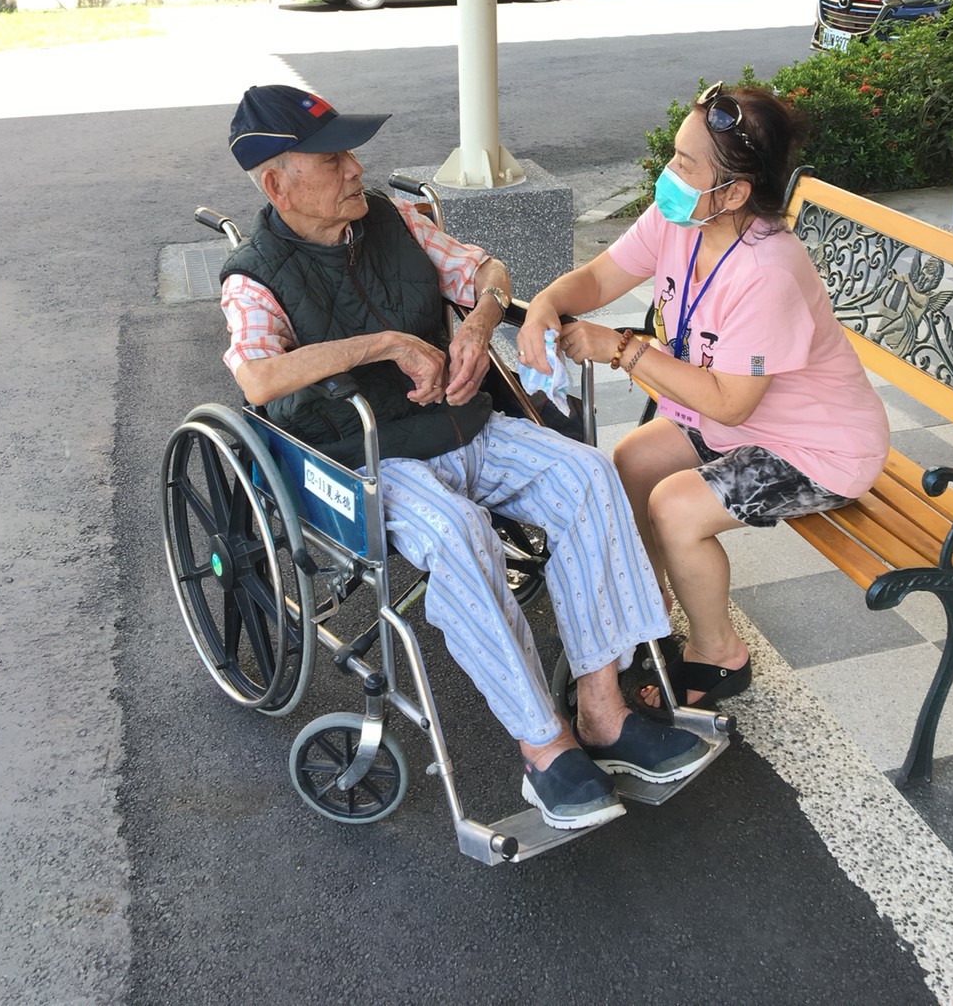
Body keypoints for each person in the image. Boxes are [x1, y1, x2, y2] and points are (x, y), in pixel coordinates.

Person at [218, 83, 714, 831]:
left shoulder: (395, 218)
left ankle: (605, 715)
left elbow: (489, 271)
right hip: (370, 460)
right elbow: (257, 376)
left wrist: (479, 324)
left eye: (352, 152)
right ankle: (546, 750)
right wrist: (385, 344)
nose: (355, 169)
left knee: (588, 476)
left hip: (466, 424)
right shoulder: (253, 277)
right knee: (458, 535)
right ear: (277, 184)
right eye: (332, 159)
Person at [518, 83, 890, 710]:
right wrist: (546, 307)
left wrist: (626, 349)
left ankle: (719, 653)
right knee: (630, 464)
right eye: (674, 156)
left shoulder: (767, 270)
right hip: (735, 418)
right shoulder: (679, 219)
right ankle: (650, 614)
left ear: (736, 193)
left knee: (677, 508)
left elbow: (730, 405)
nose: (670, 174)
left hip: (819, 445)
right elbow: (601, 276)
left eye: (686, 166)